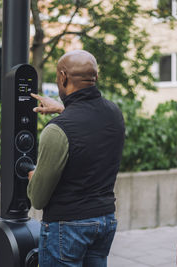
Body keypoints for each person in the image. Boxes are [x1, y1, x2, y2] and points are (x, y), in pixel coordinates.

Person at [27, 50, 125, 267]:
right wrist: (63, 109)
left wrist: (34, 177)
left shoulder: (56, 130)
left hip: (67, 227)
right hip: (105, 221)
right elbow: (88, 120)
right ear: (95, 77)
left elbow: (38, 199)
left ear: (63, 77)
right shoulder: (114, 114)